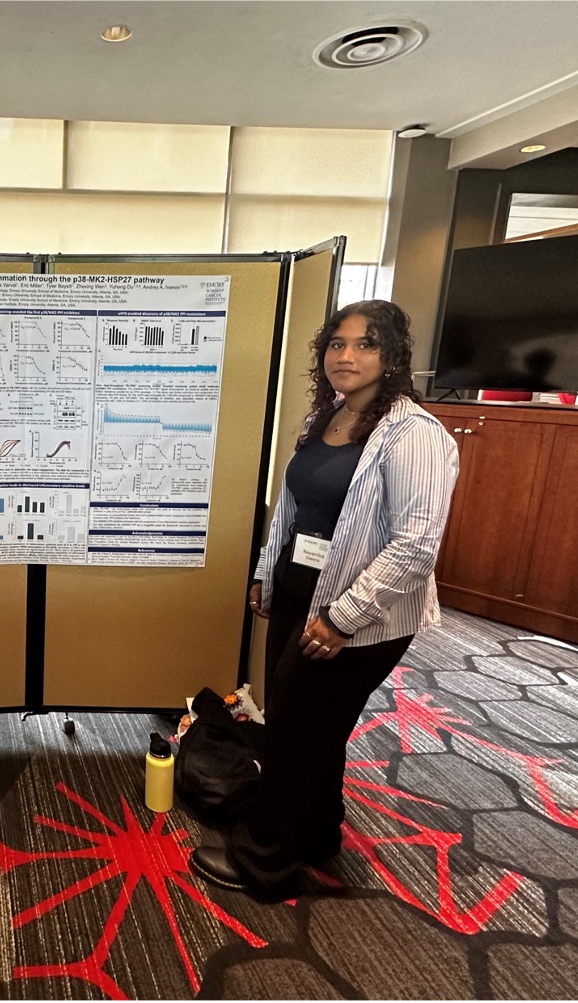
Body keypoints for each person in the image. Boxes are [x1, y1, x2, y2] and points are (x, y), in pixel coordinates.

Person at [190, 300, 459, 897]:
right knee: (307, 725)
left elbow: (416, 546)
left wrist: (342, 619)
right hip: (299, 591)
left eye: (365, 344)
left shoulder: (414, 436)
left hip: (357, 614)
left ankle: (265, 861)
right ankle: (315, 832)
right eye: (337, 344)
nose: (346, 356)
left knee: (297, 733)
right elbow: (293, 508)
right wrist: (267, 573)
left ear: (392, 356)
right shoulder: (326, 419)